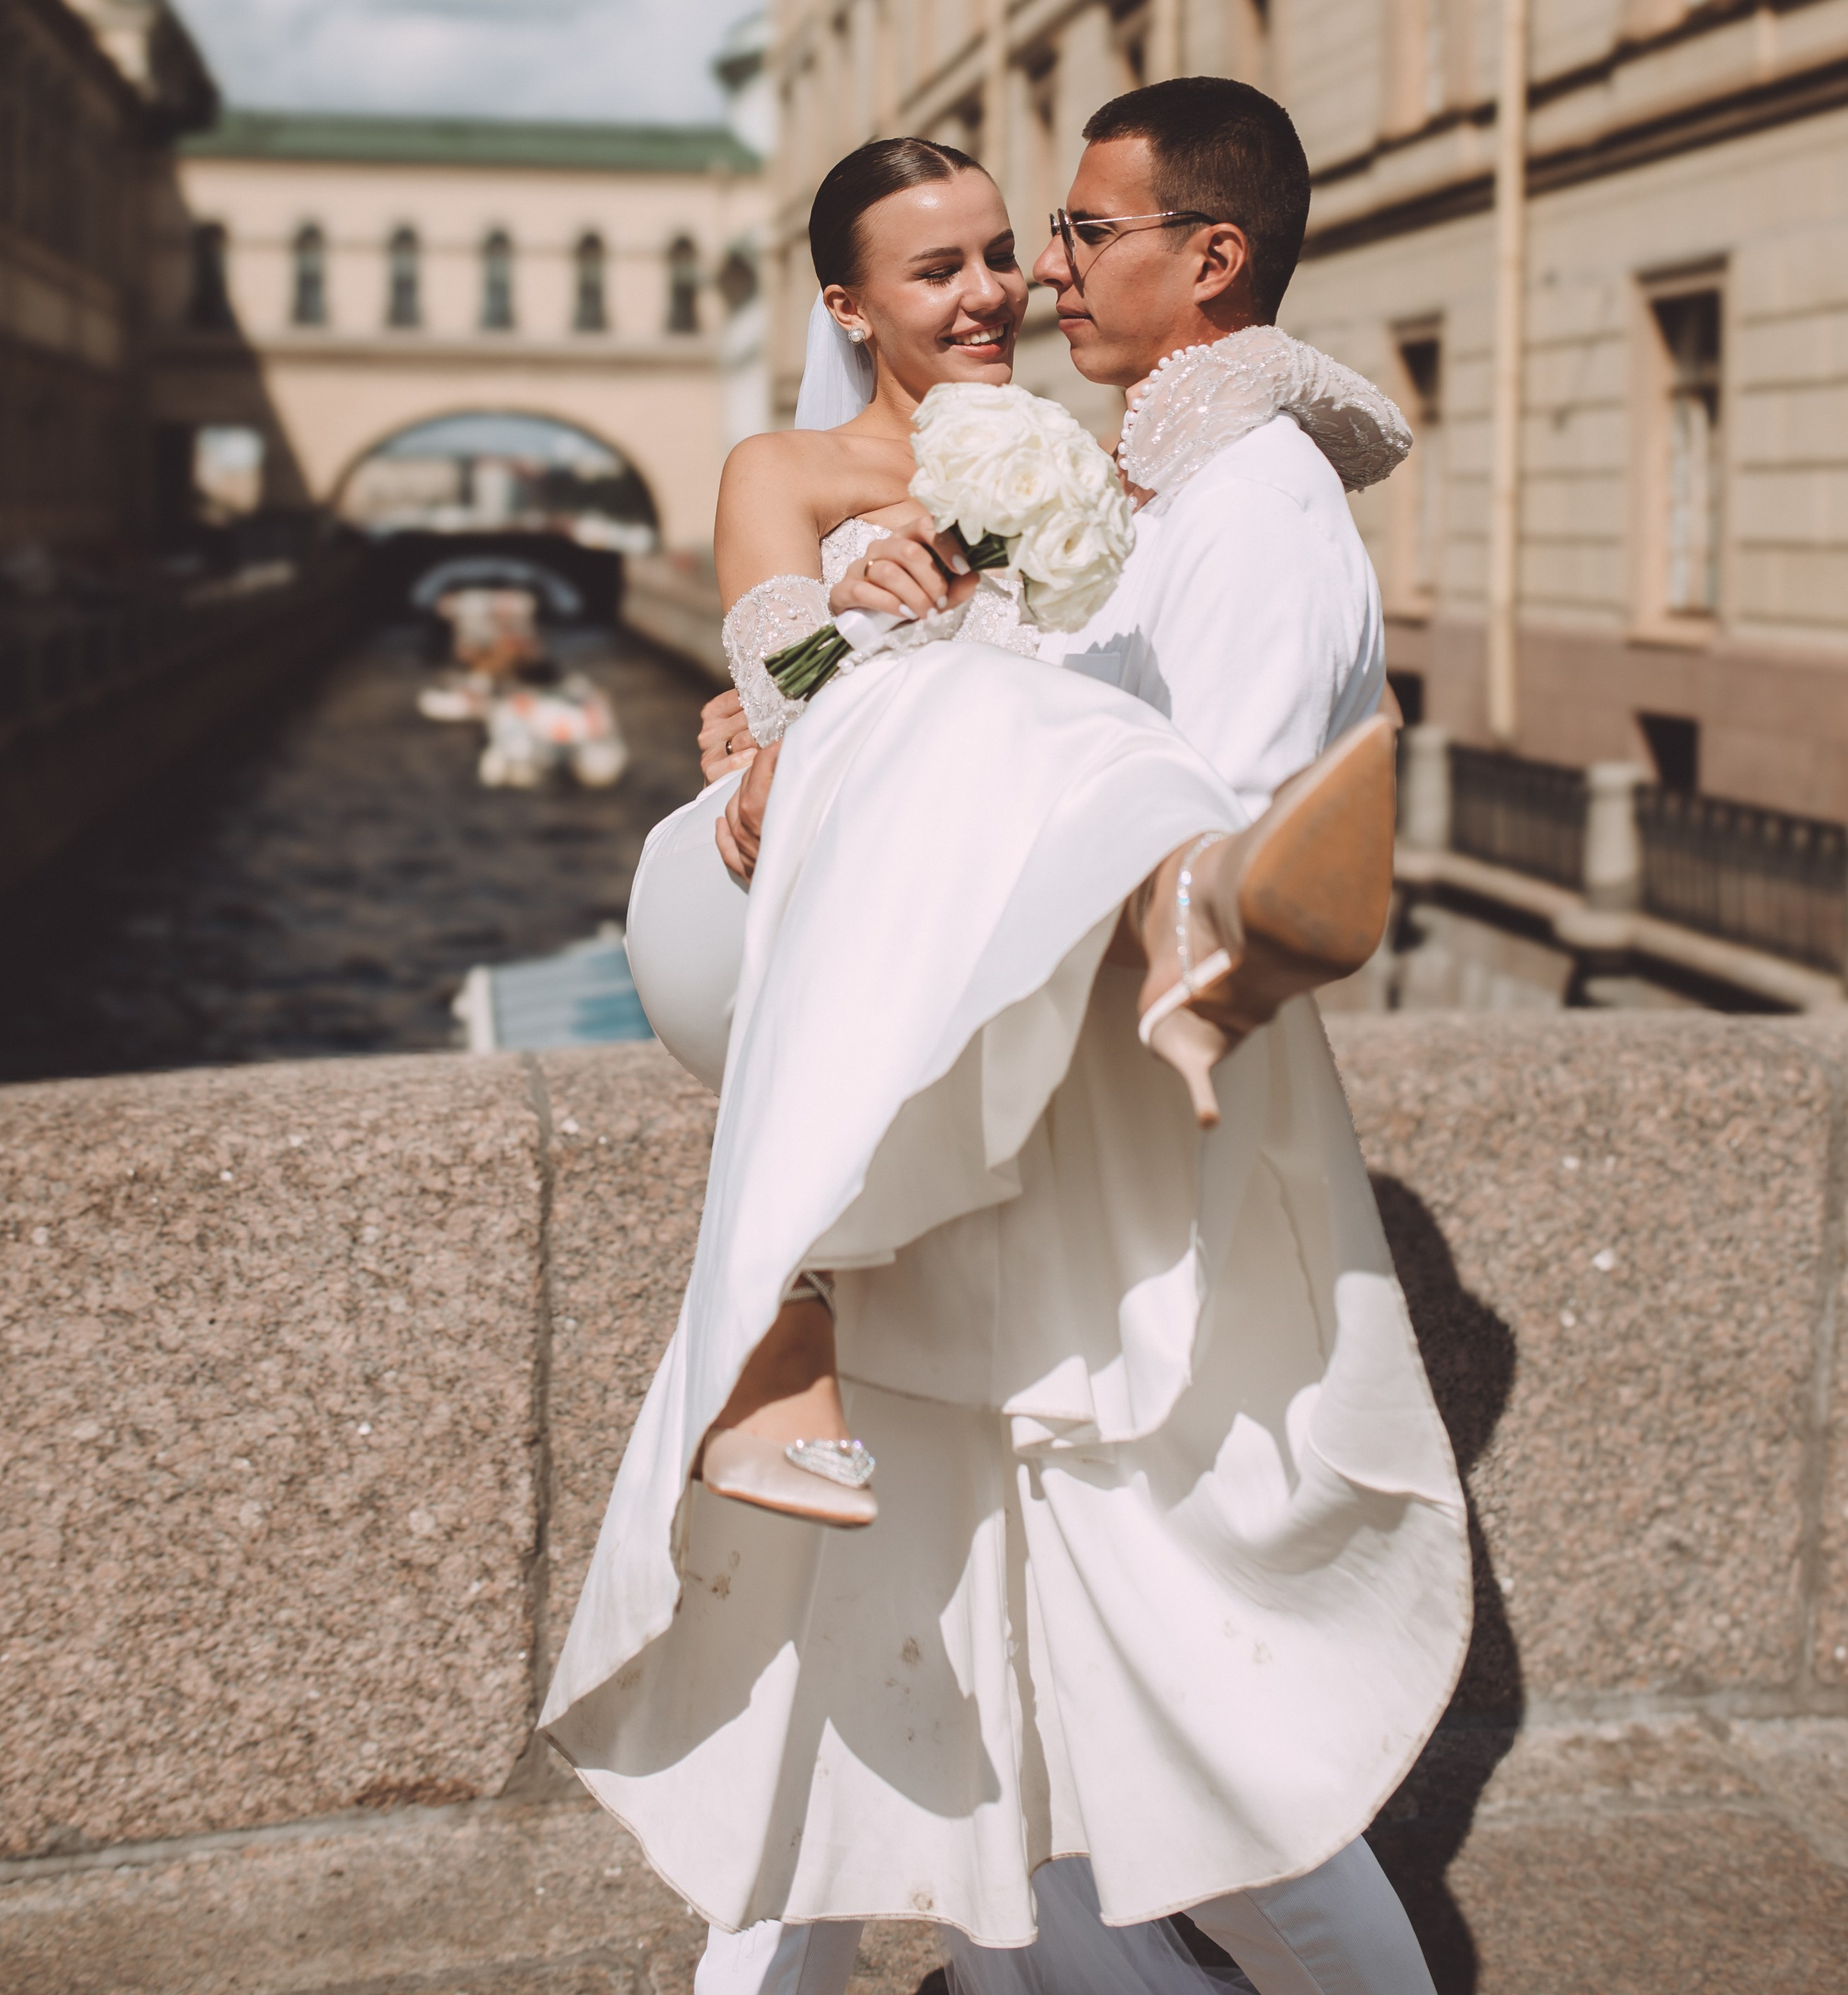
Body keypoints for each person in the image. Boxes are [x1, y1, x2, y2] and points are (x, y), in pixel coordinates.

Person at [545, 99, 1467, 1995]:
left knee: (916, 1665)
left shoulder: (1118, 472)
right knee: (936, 723)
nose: (1005, 286)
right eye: (953, 261)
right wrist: (811, 678)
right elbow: (785, 689)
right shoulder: (824, 466)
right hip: (836, 947)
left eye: (1024, 245)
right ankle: (1172, 919)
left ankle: (1161, 922)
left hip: (972, 1026)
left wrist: (969, 621)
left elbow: (1103, 685)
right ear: (849, 301)